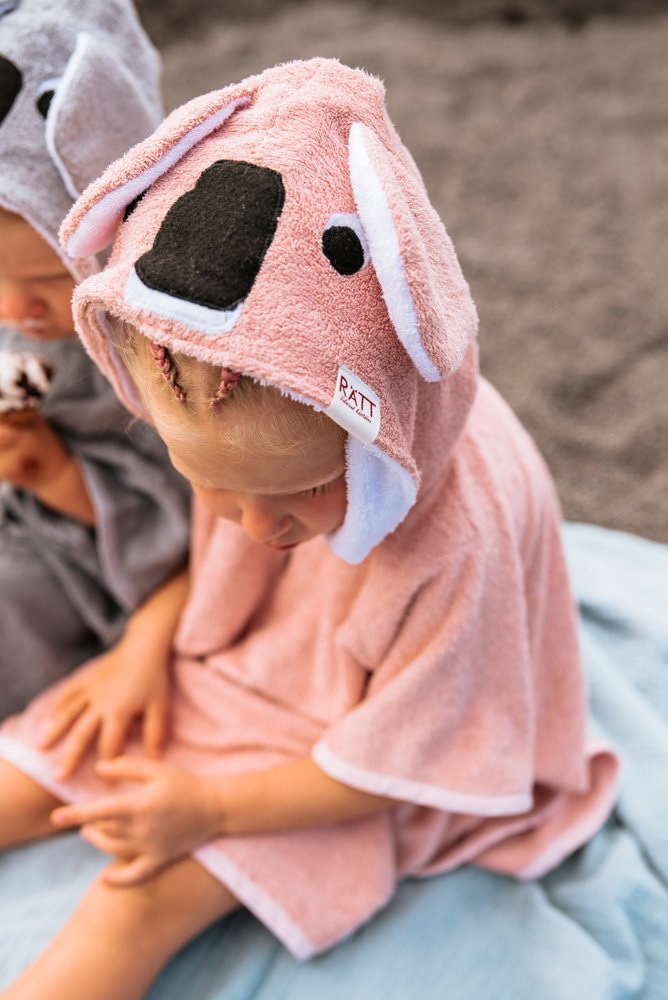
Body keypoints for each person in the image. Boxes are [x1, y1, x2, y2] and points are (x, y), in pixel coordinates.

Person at [0, 59, 619, 1000]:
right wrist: (144, 649)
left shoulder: (460, 540)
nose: (256, 531)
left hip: (344, 772)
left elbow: (413, 758)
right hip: (229, 681)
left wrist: (208, 807)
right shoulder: (224, 410)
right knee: (32, 773)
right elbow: (206, 583)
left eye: (299, 500)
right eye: (212, 489)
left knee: (133, 901)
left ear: (374, 448)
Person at [0, 0, 191, 721]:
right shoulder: (17, 317)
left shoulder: (151, 350)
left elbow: (192, 534)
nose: (17, 310)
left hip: (79, 554)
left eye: (51, 279)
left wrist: (50, 469)